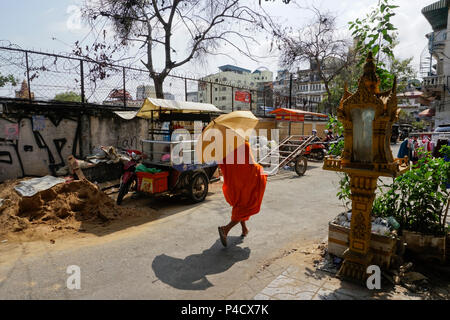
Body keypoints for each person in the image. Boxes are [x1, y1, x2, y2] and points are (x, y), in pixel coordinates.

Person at [217, 140, 267, 247]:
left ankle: (244, 229)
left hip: (235, 182)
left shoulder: (225, 146)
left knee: (241, 205)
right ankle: (225, 229)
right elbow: (251, 164)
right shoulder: (244, 144)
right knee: (246, 206)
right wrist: (260, 169)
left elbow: (222, 163)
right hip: (246, 181)